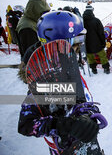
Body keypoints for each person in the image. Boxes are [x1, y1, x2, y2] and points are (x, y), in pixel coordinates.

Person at [18, 10, 104, 155]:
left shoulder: (67, 68)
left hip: (86, 146)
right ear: (58, 43)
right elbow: (26, 124)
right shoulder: (45, 79)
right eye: (76, 41)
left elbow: (79, 100)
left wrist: (88, 115)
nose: (78, 47)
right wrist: (63, 125)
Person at [82, 5, 110, 74]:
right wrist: (103, 42)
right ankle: (106, 68)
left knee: (90, 57)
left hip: (86, 43)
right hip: (97, 43)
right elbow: (101, 33)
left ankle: (93, 69)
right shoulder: (96, 20)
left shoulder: (81, 21)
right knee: (102, 56)